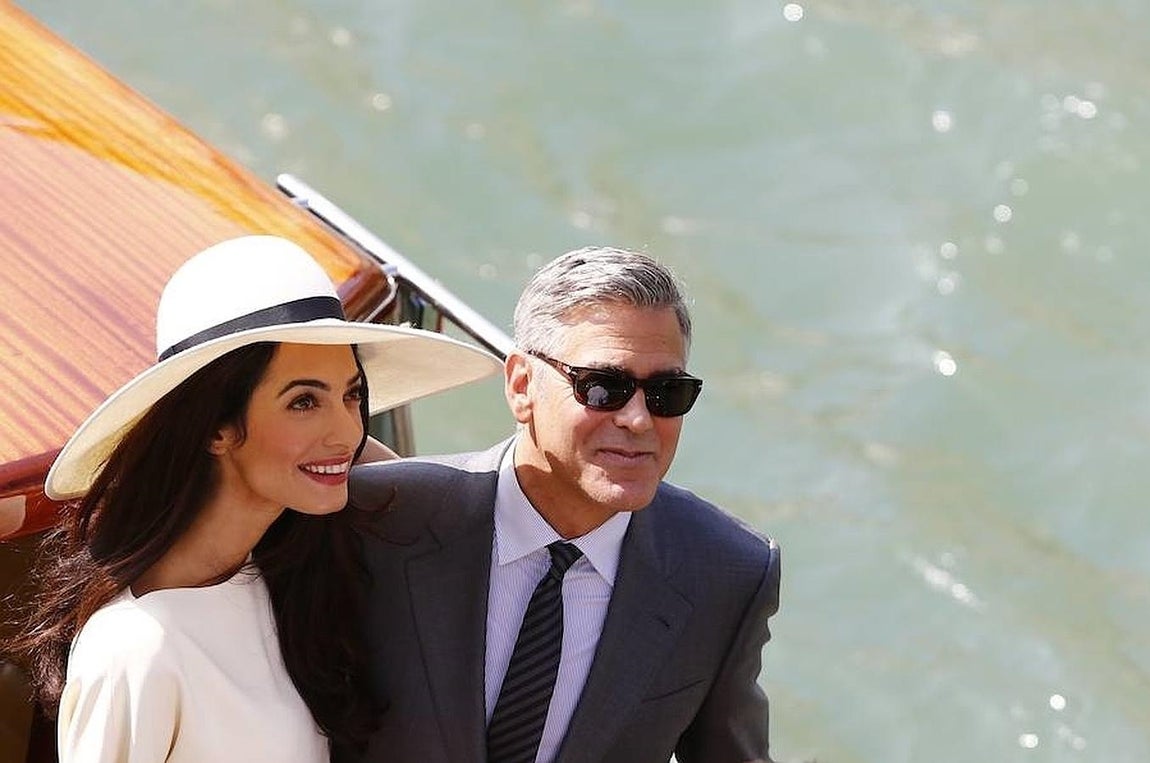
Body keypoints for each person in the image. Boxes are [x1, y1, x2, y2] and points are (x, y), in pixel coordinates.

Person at [3, 235, 502, 762]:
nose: (346, 431)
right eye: (304, 402)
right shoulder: (135, 649)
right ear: (214, 427)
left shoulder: (279, 578)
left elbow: (417, 499)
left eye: (352, 395)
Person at [345, 246, 782, 763]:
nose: (639, 421)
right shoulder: (374, 520)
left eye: (667, 392)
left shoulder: (726, 573)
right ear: (521, 385)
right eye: (604, 388)